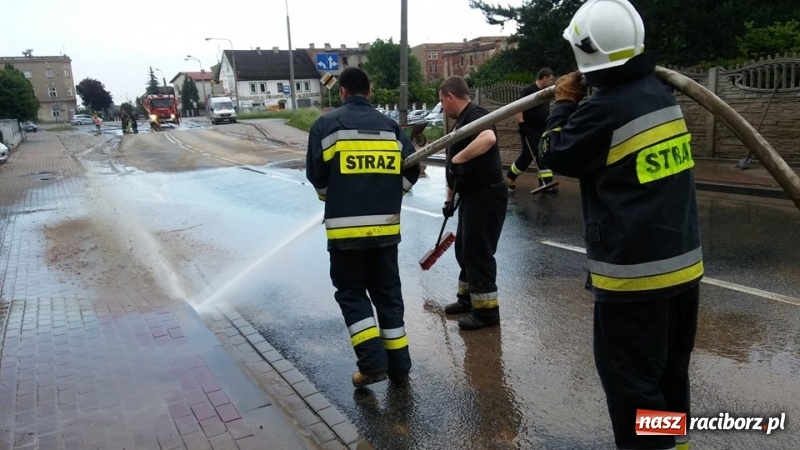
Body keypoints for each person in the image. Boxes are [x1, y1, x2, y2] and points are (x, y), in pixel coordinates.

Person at [539, 1, 702, 449]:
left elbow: (553, 153)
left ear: (586, 52)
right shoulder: (659, 94)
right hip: (683, 271)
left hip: (636, 279)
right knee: (668, 377)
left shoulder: (605, 109)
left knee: (632, 386)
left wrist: (563, 103)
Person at [306, 67, 421, 388]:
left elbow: (317, 179)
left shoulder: (325, 126)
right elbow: (413, 169)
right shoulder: (390, 127)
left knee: (352, 293)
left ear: (342, 92)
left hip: (345, 234)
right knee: (387, 296)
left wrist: (339, 196)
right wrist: (387, 196)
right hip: (385, 231)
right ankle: (399, 367)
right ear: (369, 92)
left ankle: (372, 364)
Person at [439, 75, 508, 330]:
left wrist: (458, 159)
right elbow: (453, 172)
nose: (442, 108)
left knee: (478, 253)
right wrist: (449, 199)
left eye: (442, 102)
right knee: (464, 249)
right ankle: (466, 300)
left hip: (487, 195)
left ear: (450, 96)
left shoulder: (477, 114)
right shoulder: (461, 123)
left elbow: (488, 138)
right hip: (470, 195)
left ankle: (487, 313)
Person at [506, 68, 557, 193]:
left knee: (543, 153)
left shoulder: (545, 92)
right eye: (550, 79)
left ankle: (547, 183)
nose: (551, 82)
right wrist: (522, 124)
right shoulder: (528, 90)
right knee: (529, 154)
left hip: (542, 128)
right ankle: (511, 176)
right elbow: (518, 108)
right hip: (529, 128)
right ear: (544, 77)